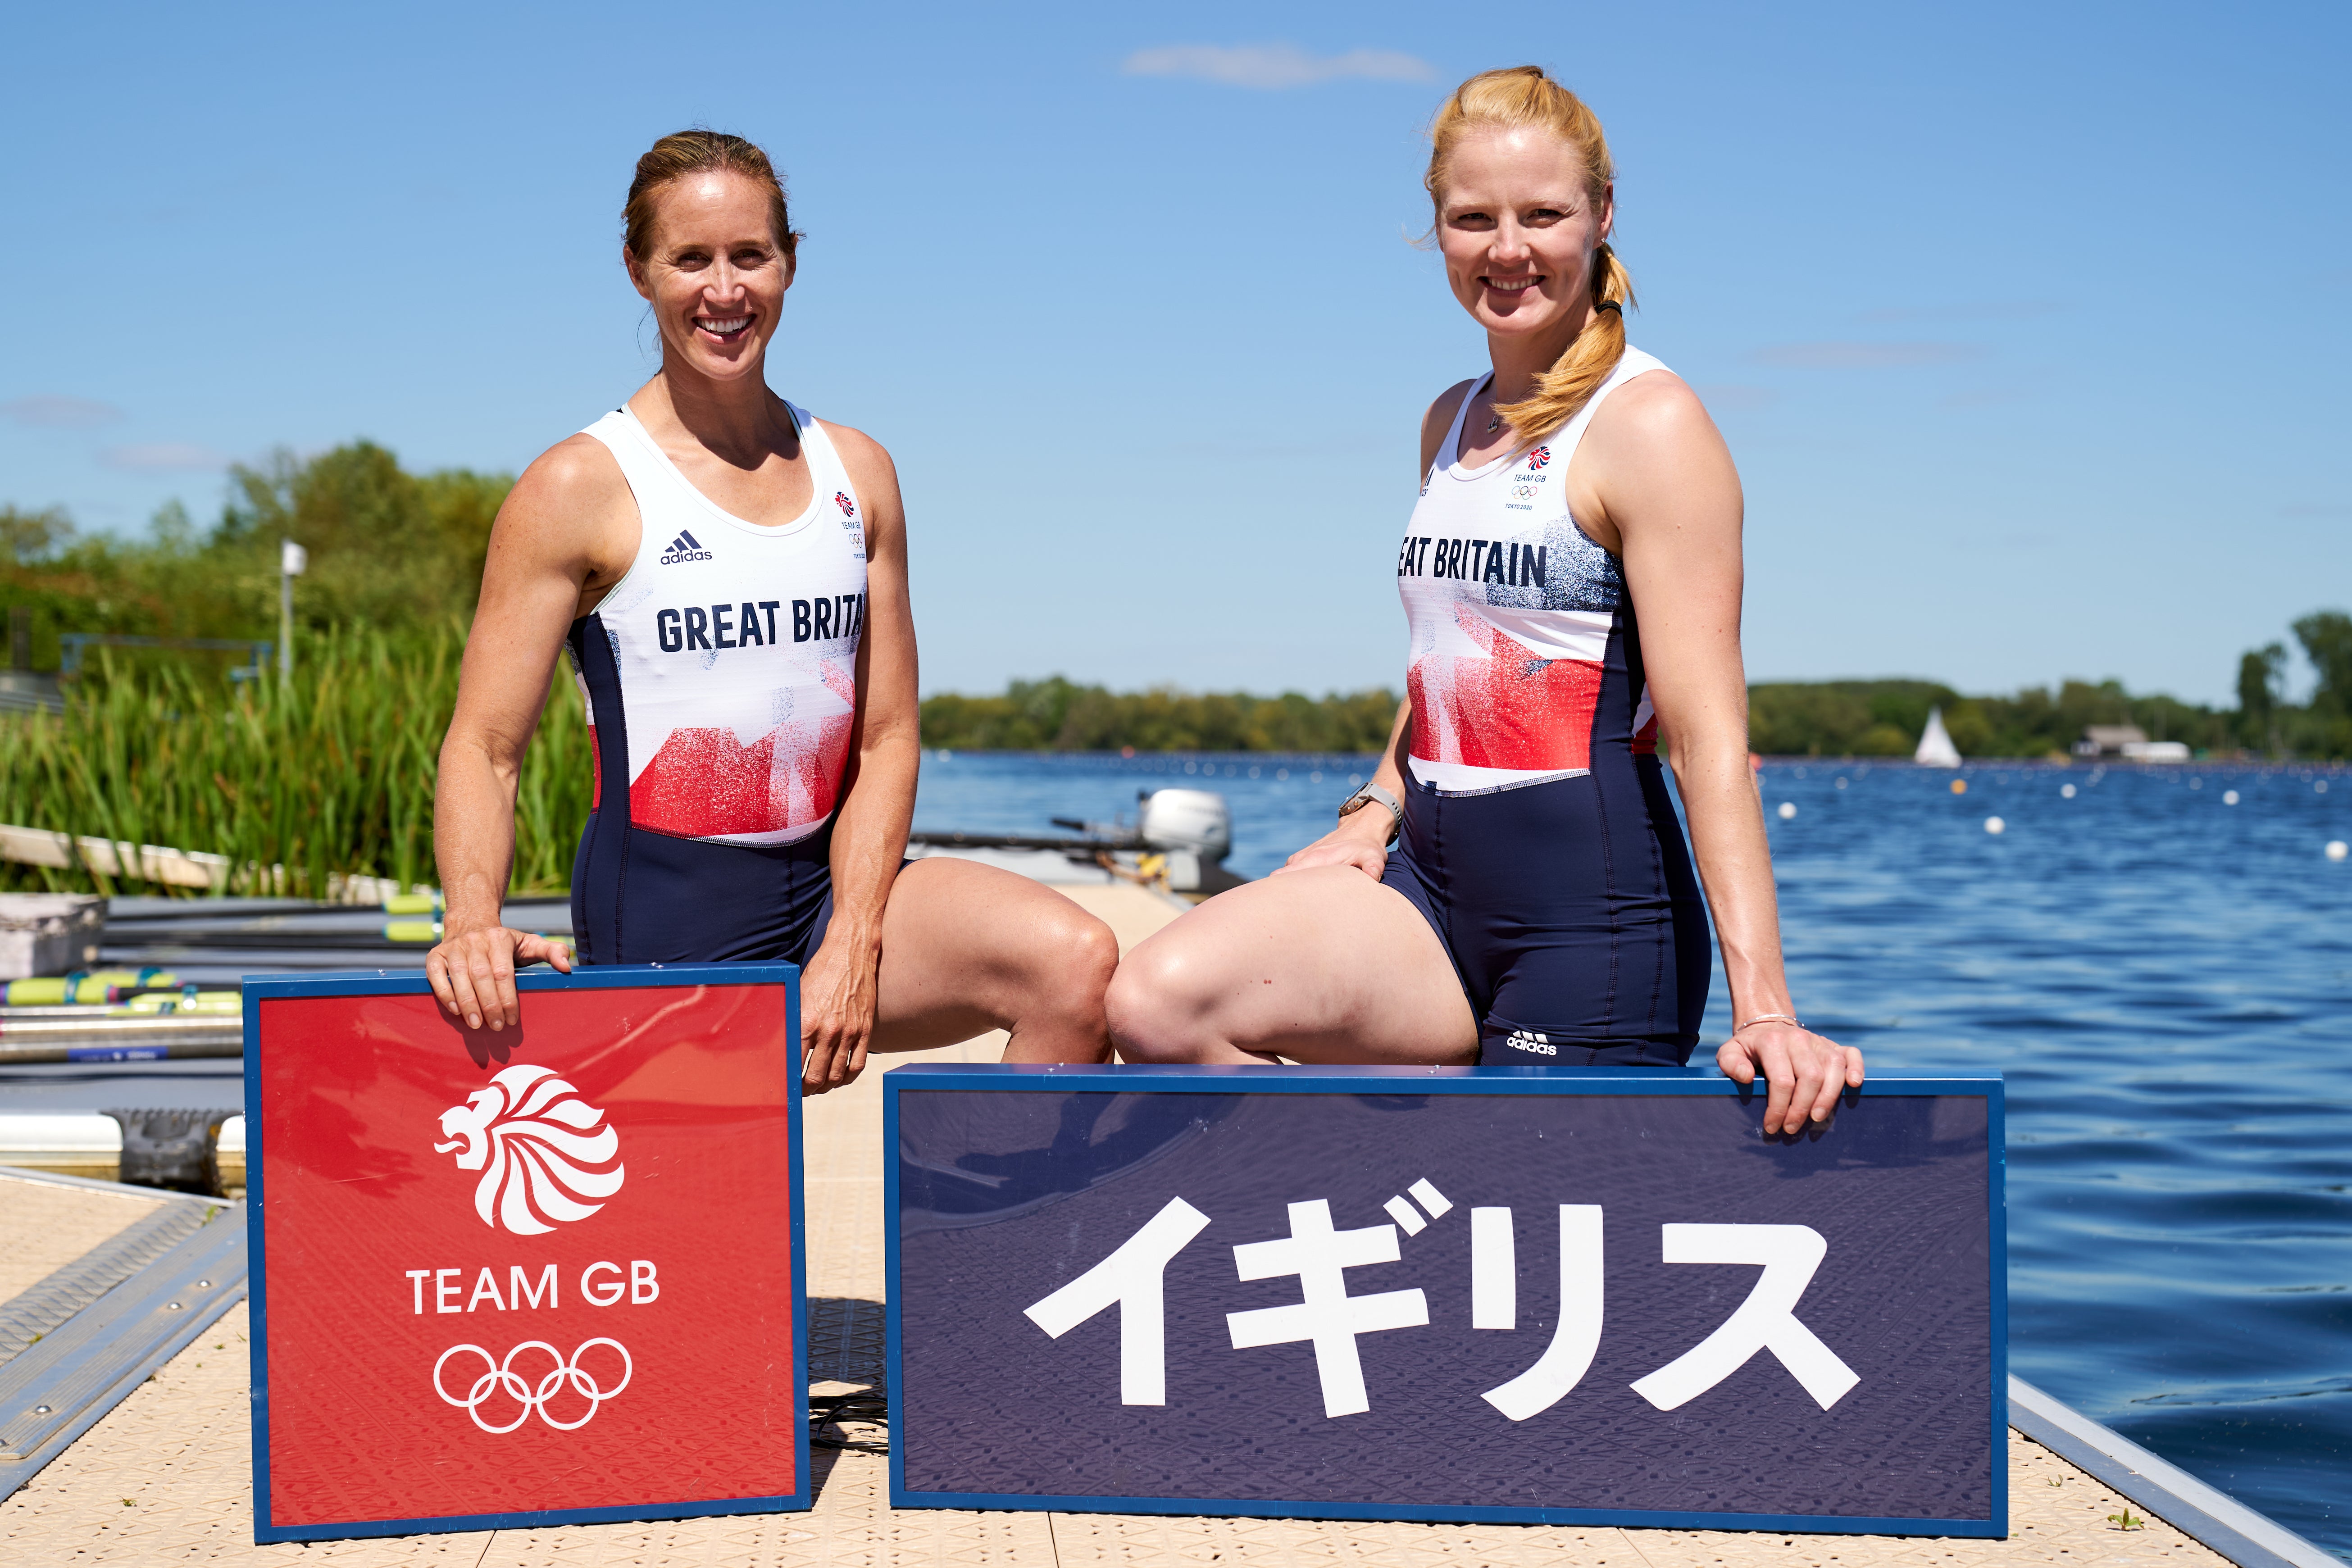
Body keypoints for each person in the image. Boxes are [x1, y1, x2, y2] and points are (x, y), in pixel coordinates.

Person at [1105, 69, 1863, 1134]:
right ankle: (1405, 1155)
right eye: (1475, 219)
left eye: (1543, 215)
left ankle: (1453, 1142)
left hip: (1591, 925)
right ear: (1439, 231)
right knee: (1159, 1004)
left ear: (1602, 216)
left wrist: (1768, 1007)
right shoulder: (1449, 418)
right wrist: (1373, 811)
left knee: (1537, 1268)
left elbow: (1706, 738)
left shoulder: (1651, 427)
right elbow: (1453, 658)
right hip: (1430, 887)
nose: (1508, 249)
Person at [428, 130, 1118, 1091]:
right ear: (638, 272)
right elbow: (485, 746)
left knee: (1074, 966)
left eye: (750, 255)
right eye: (690, 259)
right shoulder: (578, 488)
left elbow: (886, 736)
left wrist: (853, 941)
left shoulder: (858, 472)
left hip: (832, 891)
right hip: (667, 915)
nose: (724, 290)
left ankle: (993, 1240)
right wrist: (470, 920)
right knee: (709, 1232)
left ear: (790, 261)